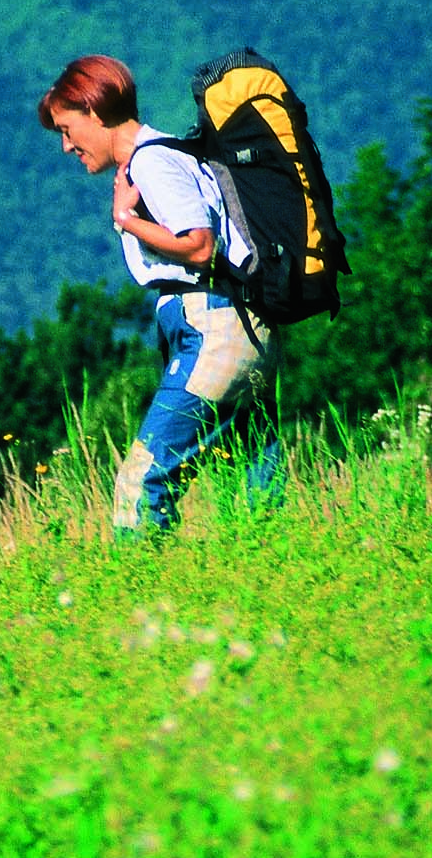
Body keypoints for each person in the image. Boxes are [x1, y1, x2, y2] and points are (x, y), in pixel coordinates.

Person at [39, 54, 280, 537]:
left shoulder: (152, 161)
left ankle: (138, 599)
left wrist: (127, 220)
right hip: (235, 326)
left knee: (142, 479)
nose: (67, 146)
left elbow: (199, 243)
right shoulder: (163, 155)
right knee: (249, 485)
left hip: (214, 329)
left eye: (68, 129)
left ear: (95, 111)